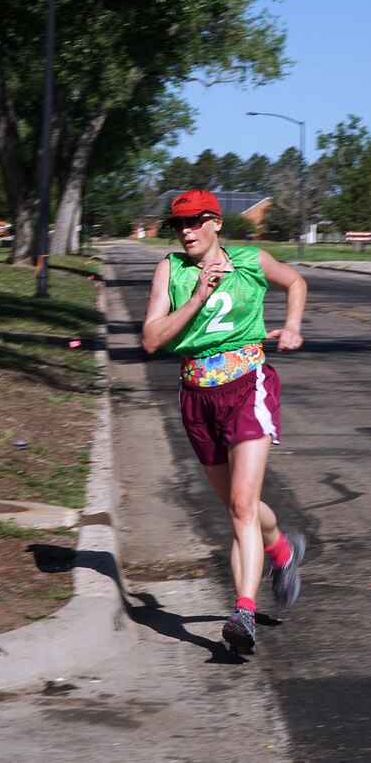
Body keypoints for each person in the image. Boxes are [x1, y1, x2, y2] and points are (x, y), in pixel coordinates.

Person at [142, 189, 307, 655]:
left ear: (216, 222)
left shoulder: (251, 260)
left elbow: (295, 282)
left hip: (247, 385)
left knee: (240, 506)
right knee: (242, 507)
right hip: (196, 395)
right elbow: (152, 339)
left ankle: (243, 613)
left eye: (195, 222)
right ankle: (282, 551)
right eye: (179, 225)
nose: (187, 232)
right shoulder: (170, 270)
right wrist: (196, 296)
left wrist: (292, 325)